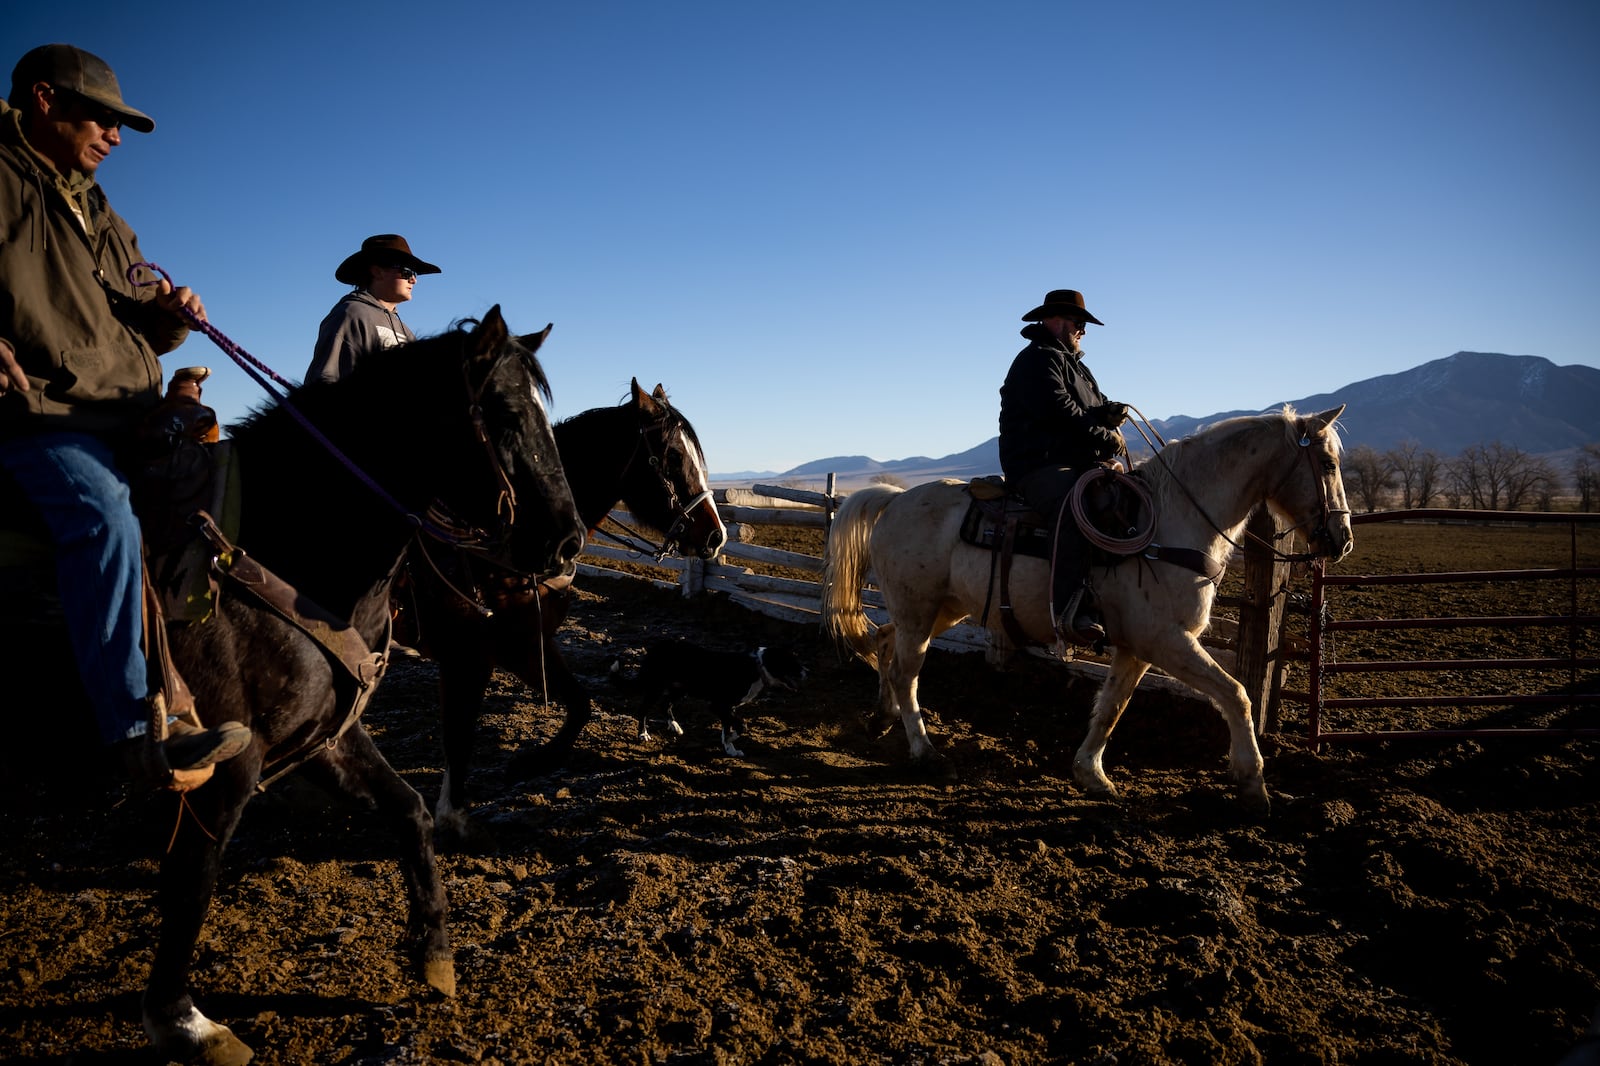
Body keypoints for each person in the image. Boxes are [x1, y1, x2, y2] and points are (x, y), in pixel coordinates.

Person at [0, 43, 252, 788]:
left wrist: (170, 317)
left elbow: (133, 317)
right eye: (103, 119)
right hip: (40, 413)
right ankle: (135, 728)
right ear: (45, 101)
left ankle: (227, 683)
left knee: (220, 489)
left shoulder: (98, 207)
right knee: (103, 514)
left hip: (127, 405)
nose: (114, 137)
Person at [997, 289, 1129, 645]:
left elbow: (1088, 407)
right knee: (1074, 508)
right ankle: (1068, 610)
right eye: (1079, 322)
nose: (1083, 330)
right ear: (1055, 320)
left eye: (1084, 324)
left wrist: (1108, 412)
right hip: (1038, 465)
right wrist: (1107, 438)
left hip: (1071, 461)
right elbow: (1061, 412)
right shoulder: (1036, 361)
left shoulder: (1076, 366)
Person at [304, 234, 440, 383]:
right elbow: (321, 382)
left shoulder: (406, 332)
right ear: (377, 272)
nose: (413, 280)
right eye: (407, 272)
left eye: (414, 273)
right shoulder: (350, 314)